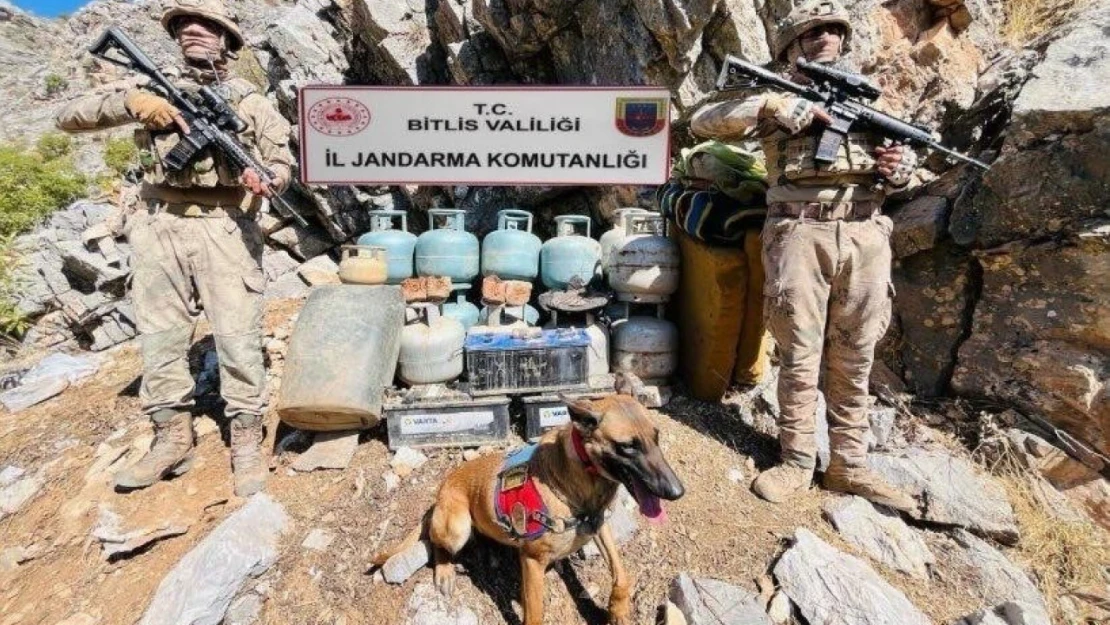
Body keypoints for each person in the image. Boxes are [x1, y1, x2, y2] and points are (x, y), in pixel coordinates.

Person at [56, 0, 293, 497]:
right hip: (158, 222)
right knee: (160, 333)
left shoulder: (252, 103)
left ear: (226, 39)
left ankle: (246, 436)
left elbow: (281, 164)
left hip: (225, 225)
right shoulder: (148, 89)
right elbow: (69, 118)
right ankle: (170, 436)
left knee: (236, 331)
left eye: (204, 26)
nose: (191, 31)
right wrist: (131, 105)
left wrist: (266, 177)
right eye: (183, 26)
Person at [689, 0, 918, 512]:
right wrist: (770, 108)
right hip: (799, 231)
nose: (825, 40)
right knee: (798, 351)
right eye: (812, 33)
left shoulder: (869, 98)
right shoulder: (774, 94)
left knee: (857, 352)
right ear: (790, 48)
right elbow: (703, 120)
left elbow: (912, 166)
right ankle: (795, 459)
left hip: (865, 232)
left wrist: (900, 168)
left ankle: (848, 465)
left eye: (834, 31)